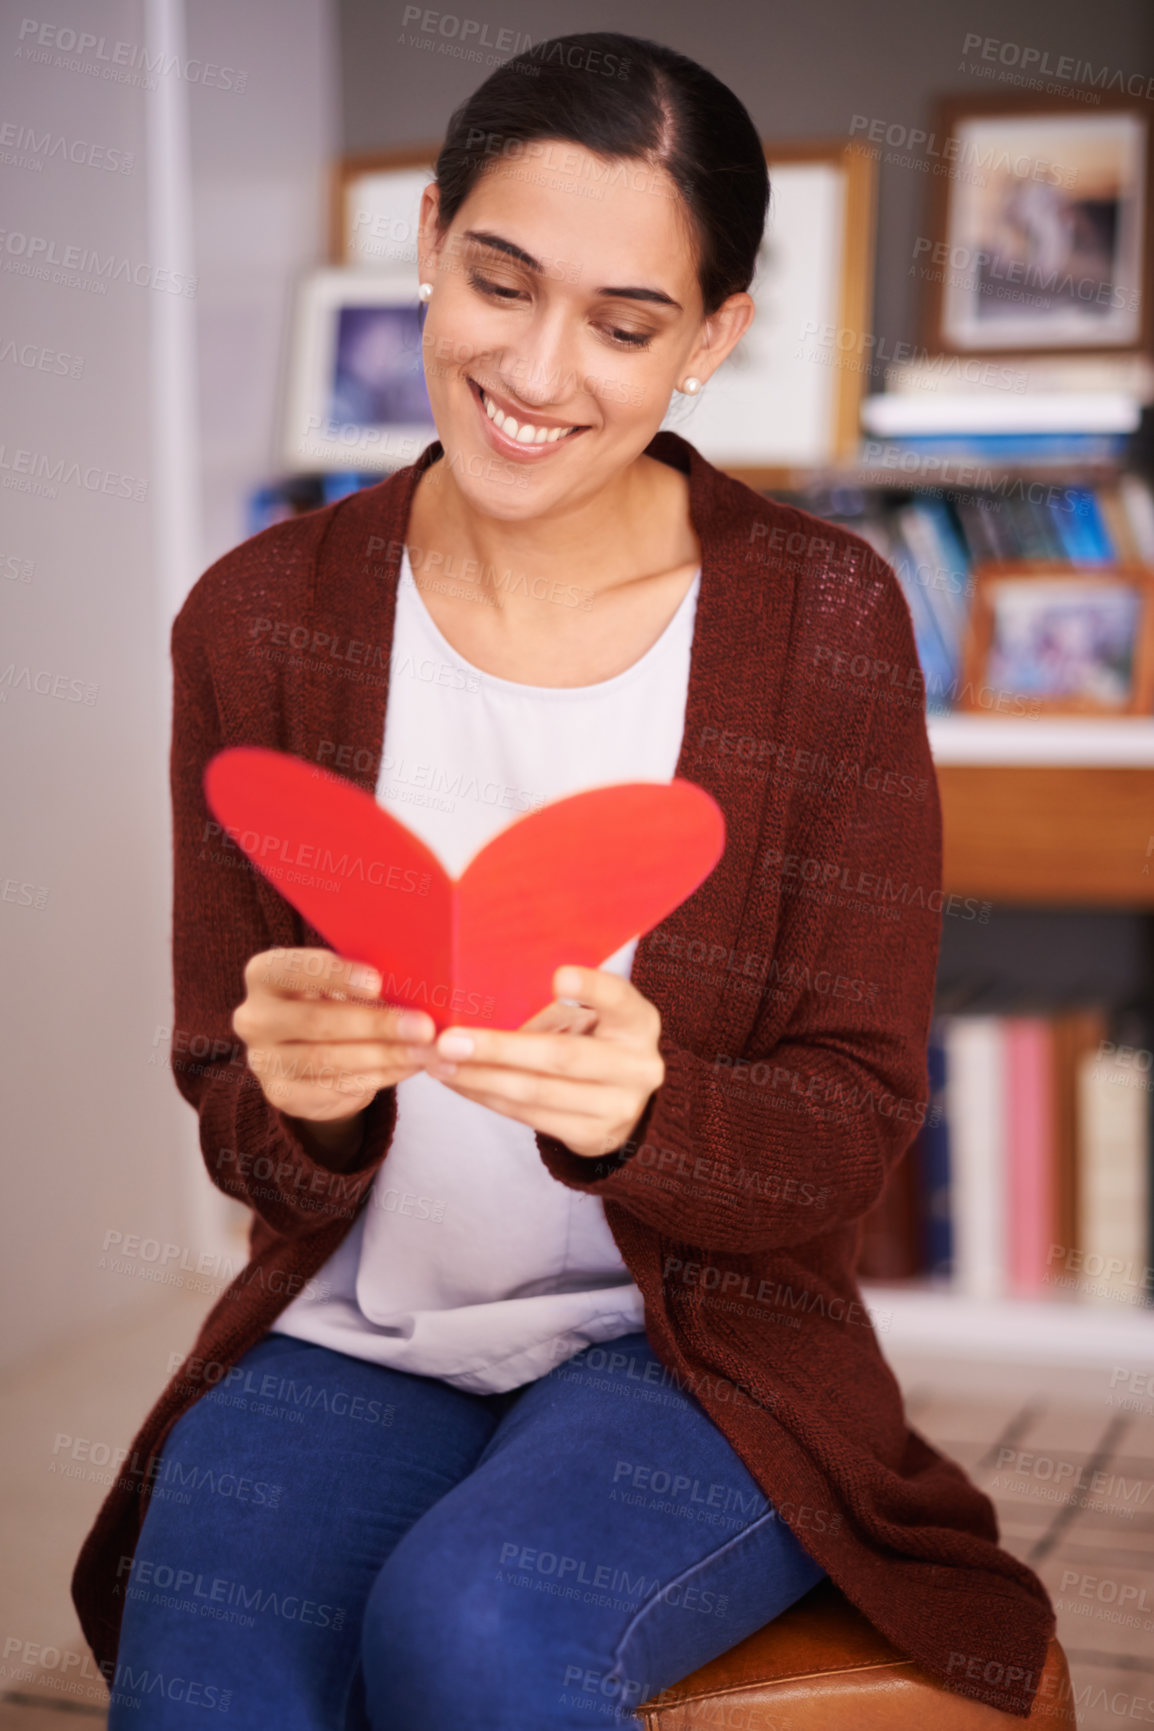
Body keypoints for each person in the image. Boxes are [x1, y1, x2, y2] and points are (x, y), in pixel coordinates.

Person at [73, 31, 1057, 1730]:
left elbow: (853, 1111)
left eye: (622, 323)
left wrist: (638, 1120)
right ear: (432, 238)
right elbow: (230, 1108)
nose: (537, 371)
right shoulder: (257, 619)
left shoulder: (824, 621)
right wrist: (297, 1098)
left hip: (699, 1350)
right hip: (363, 1327)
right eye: (498, 282)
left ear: (713, 338)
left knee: (472, 1635)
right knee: (205, 1664)